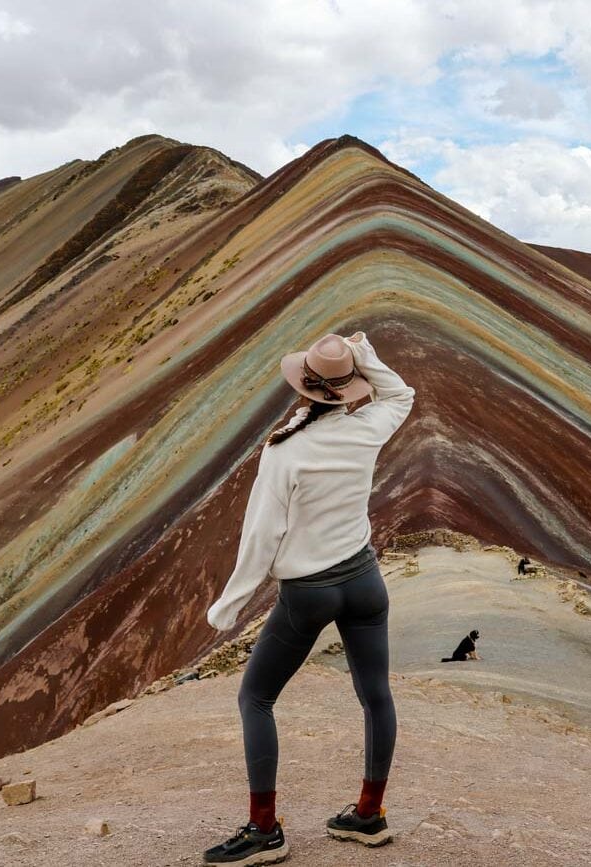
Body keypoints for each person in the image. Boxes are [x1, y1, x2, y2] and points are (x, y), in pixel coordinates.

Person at [203, 331, 414, 865]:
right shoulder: (367, 428)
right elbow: (401, 396)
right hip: (366, 582)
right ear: (349, 392)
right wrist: (365, 357)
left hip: (309, 593)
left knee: (256, 698)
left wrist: (230, 603)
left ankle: (264, 830)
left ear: (303, 389)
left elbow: (261, 536)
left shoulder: (286, 454)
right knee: (375, 697)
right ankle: (369, 815)